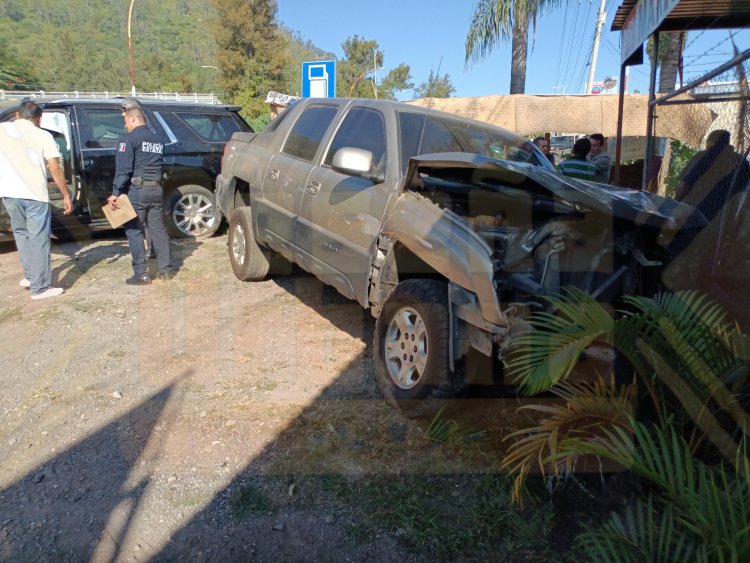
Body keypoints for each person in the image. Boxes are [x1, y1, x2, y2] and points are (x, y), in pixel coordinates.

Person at [0, 100, 73, 299]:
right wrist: (66, 195)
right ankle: (40, 288)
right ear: (39, 119)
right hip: (34, 195)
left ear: (17, 115)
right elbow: (55, 168)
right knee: (39, 239)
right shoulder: (43, 135)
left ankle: (31, 277)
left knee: (22, 235)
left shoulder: (2, 130)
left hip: (8, 193)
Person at [107, 99, 174, 285]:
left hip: (137, 191)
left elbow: (123, 170)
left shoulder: (128, 139)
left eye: (126, 122)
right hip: (157, 189)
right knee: (158, 230)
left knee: (134, 231)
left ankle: (141, 274)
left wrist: (115, 192)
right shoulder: (158, 140)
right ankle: (166, 270)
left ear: (134, 119)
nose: (126, 125)